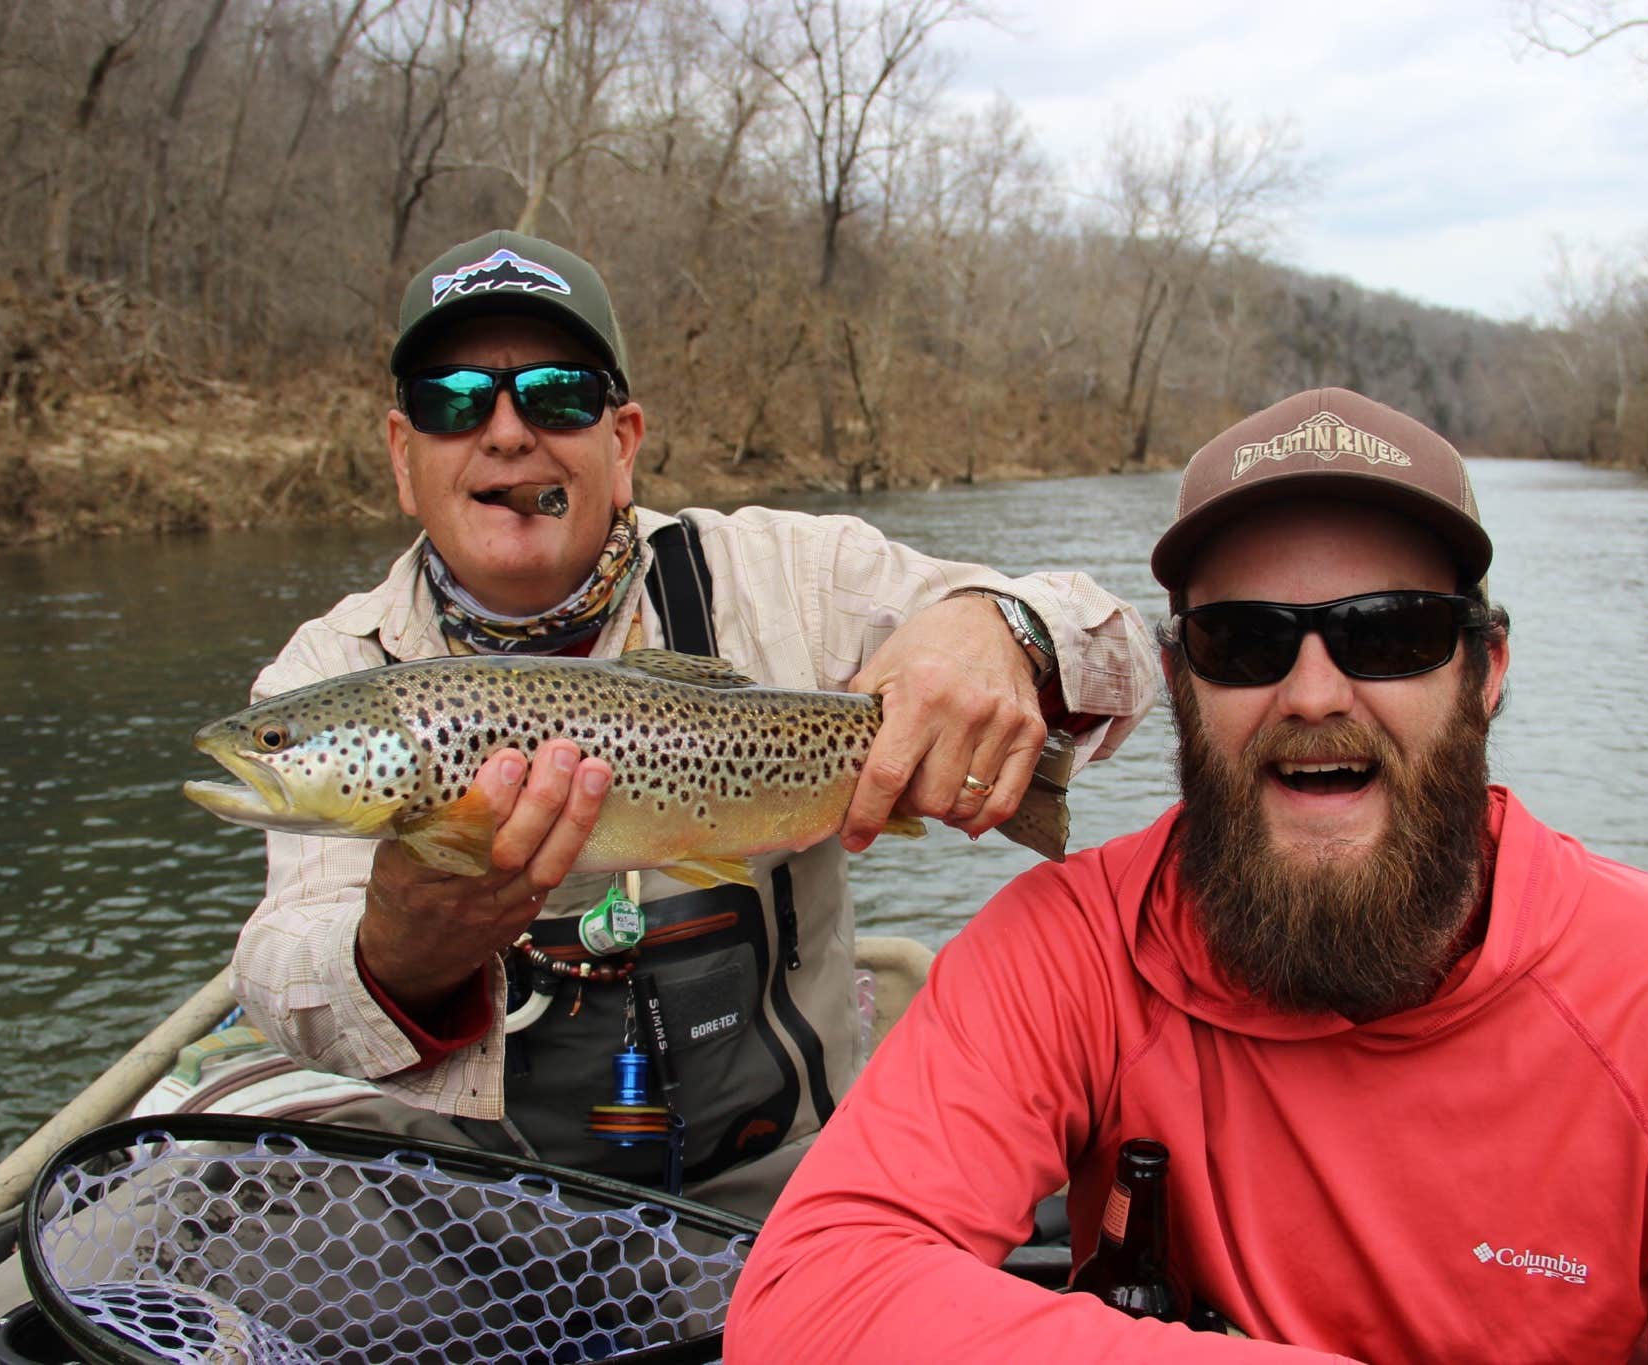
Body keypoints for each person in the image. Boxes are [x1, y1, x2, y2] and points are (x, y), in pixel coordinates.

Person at [724, 388, 1648, 1362]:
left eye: (1387, 633)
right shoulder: (1062, 949)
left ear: (1487, 671)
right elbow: (806, 1306)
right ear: (1178, 684)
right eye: (1246, 643)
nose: (1313, 692)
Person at [226, 230, 1158, 1217]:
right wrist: (395, 953)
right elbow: (281, 971)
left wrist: (1000, 629)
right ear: (402, 455)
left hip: (799, 1182)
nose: (504, 433)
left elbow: (1122, 648)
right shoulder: (331, 672)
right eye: (451, 400)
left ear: (620, 443)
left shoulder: (786, 576)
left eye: (556, 395)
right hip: (478, 1195)